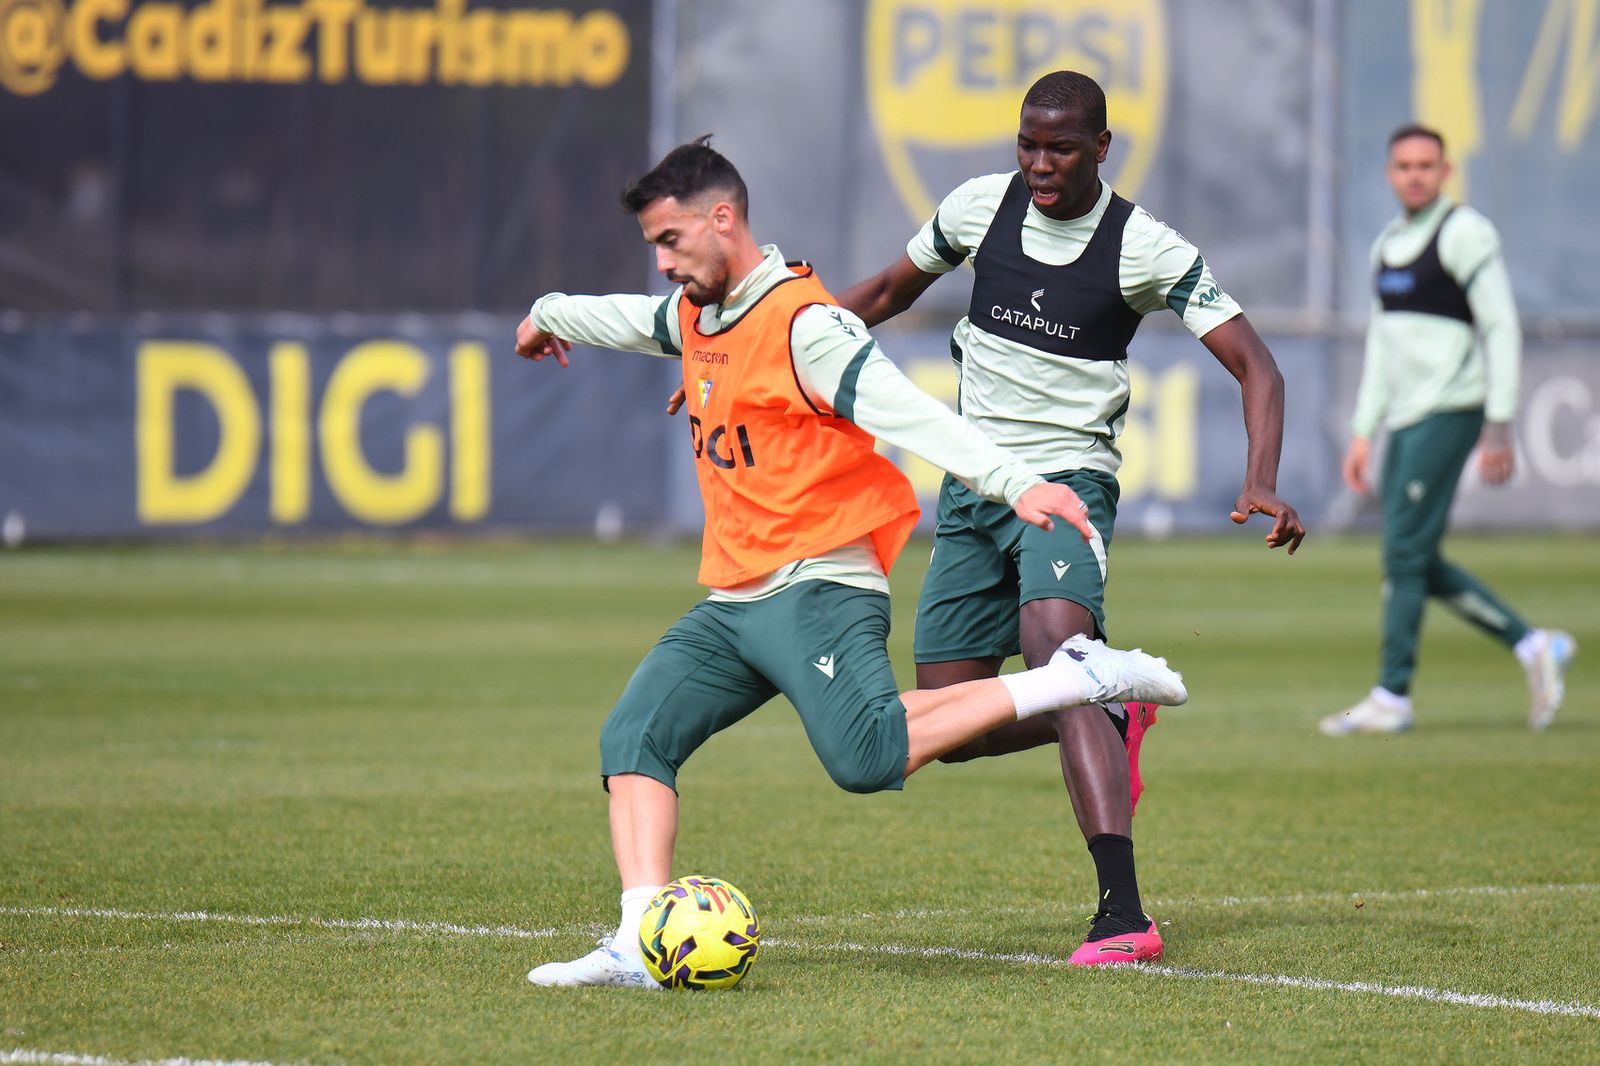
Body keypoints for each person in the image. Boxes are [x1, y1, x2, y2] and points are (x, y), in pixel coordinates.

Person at [514, 137, 1189, 988]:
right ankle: (638, 943)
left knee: (867, 757)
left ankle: (1077, 680)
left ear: (722, 220)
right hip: (736, 597)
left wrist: (1017, 483)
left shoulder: (808, 325)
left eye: (671, 240)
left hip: (820, 584)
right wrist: (548, 311)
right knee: (634, 736)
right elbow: (625, 319)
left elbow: (909, 413)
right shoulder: (694, 314)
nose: (662, 262)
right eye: (654, 245)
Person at [835, 70, 1305, 964]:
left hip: (1066, 487)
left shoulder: (1144, 246)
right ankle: (1106, 710)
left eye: (1060, 147)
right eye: (1028, 143)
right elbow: (889, 291)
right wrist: (771, 353)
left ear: (1101, 147)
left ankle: (1123, 914)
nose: (1040, 163)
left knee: (1059, 654)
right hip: (975, 488)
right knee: (949, 719)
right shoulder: (977, 208)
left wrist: (1262, 478)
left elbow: (1258, 365)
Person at [1319, 124, 1576, 736]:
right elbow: (1382, 347)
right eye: (1404, 166)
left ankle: (1392, 696)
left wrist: (1500, 423)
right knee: (1412, 556)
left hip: (1452, 409)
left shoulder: (1464, 234)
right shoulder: (1388, 245)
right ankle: (1533, 644)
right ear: (1390, 174)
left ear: (1446, 171)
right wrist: (1364, 431)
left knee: (1403, 554)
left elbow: (1502, 328)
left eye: (1426, 165)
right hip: (1406, 418)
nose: (1415, 175)